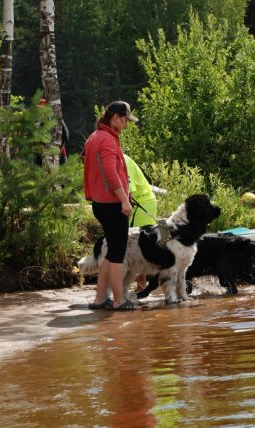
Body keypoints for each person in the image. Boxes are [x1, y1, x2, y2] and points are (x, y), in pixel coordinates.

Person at [83, 101, 138, 310]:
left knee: (111, 252)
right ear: (115, 117)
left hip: (100, 204)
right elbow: (110, 173)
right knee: (117, 254)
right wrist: (124, 199)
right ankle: (119, 300)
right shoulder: (107, 140)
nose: (126, 125)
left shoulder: (95, 136)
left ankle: (99, 299)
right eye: (125, 120)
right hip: (112, 205)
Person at [124, 154, 158, 291]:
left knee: (137, 246)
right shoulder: (115, 158)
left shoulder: (123, 160)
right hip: (141, 202)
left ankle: (141, 287)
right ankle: (142, 285)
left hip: (142, 204)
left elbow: (129, 192)